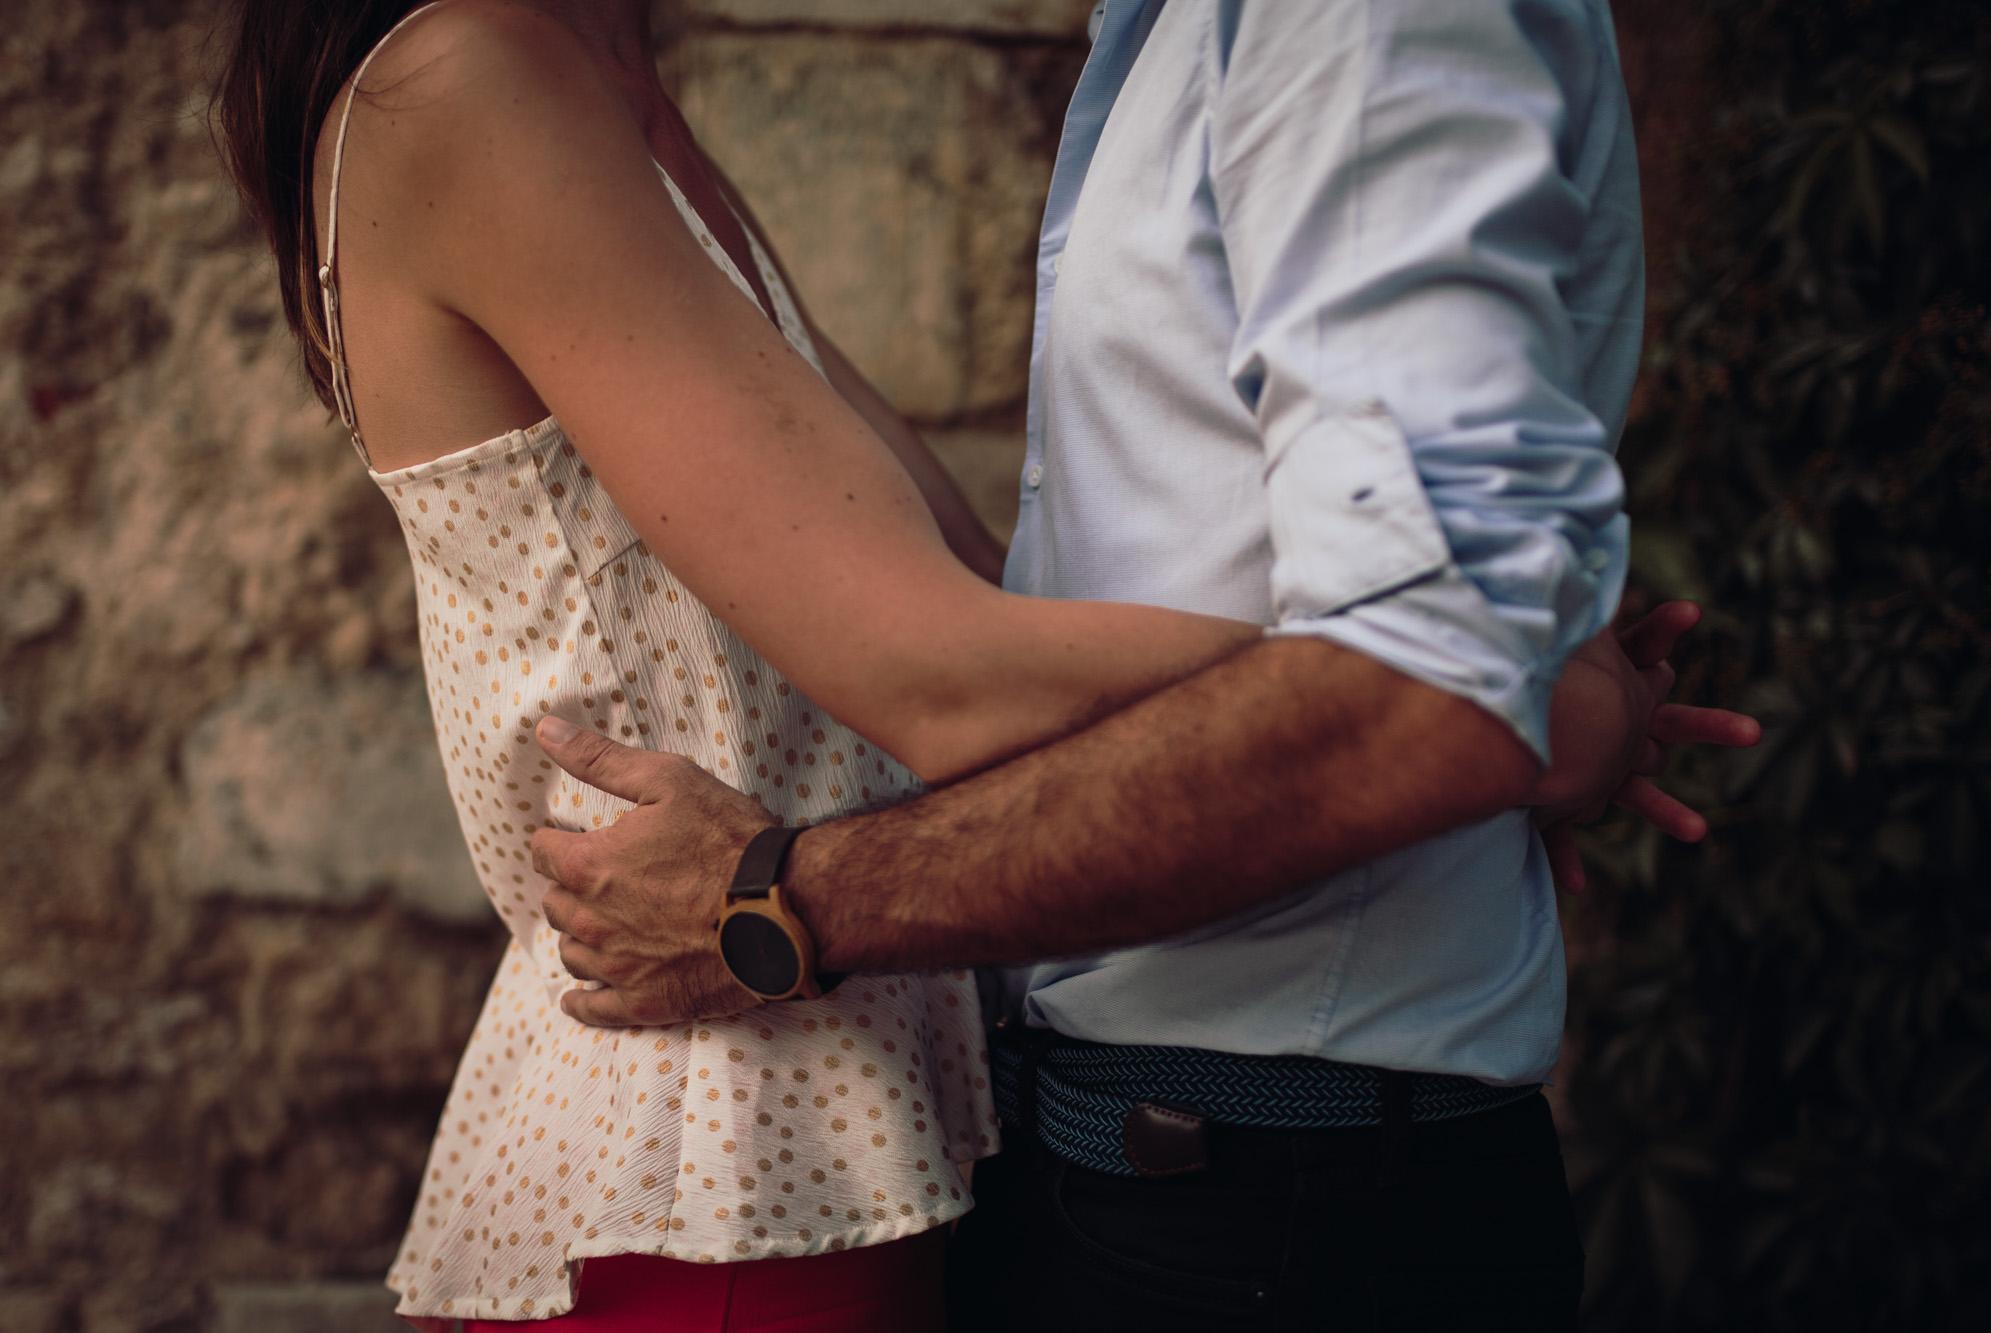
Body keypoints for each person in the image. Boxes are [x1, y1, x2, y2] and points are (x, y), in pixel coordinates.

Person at [208, 0, 1752, 1328]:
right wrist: (1475, 687)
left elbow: (951, 597)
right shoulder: (473, 78)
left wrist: (1449, 677)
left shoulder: (598, 84)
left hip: (848, 1134)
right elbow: (948, 678)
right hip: (714, 1150)